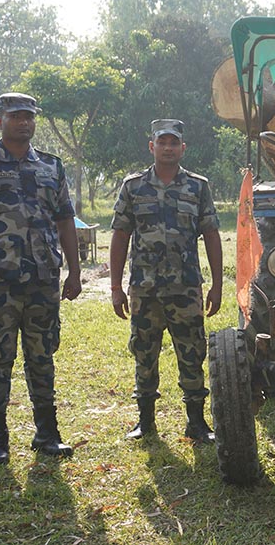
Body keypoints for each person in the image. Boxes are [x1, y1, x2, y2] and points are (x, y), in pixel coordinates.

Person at [0, 92, 80, 464]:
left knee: (42, 356)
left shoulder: (51, 167)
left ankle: (47, 434)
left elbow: (65, 220)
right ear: (0, 121)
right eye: (15, 116)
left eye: (29, 116)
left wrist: (74, 270)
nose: (24, 122)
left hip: (42, 280)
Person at [109, 119, 223, 443]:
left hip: (185, 288)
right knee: (144, 353)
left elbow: (211, 234)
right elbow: (120, 235)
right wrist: (115, 287)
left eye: (174, 143)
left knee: (192, 352)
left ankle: (196, 422)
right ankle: (145, 421)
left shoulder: (198, 187)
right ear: (152, 146)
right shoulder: (133, 187)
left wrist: (217, 284)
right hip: (144, 288)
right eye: (163, 142)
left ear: (183, 148)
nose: (168, 148)